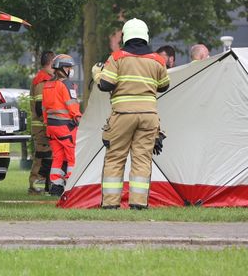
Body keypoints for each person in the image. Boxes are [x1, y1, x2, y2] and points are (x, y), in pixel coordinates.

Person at [95, 18, 169, 209]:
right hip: (149, 117)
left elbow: (105, 85)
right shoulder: (158, 60)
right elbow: (164, 86)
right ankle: (138, 204)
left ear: (126, 36)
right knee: (142, 158)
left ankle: (111, 204)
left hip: (122, 115)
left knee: (115, 157)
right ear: (145, 36)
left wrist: (98, 74)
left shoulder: (117, 57)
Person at [41, 54, 82, 197]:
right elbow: (72, 105)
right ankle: (71, 187)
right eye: (69, 67)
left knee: (58, 157)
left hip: (51, 127)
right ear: (63, 68)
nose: (71, 70)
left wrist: (47, 123)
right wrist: (78, 118)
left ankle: (56, 188)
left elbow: (44, 108)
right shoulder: (67, 84)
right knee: (72, 157)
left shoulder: (47, 85)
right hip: (66, 127)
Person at [28, 51, 55, 194]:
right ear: (51, 62)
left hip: (45, 125)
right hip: (41, 127)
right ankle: (35, 186)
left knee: (47, 157)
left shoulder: (46, 78)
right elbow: (40, 106)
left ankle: (44, 185)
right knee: (42, 157)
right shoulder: (43, 79)